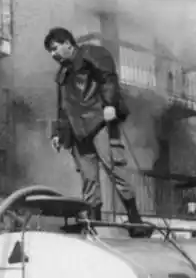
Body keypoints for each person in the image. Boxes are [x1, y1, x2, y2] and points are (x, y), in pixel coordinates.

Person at [44, 27, 152, 238]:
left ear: (68, 43)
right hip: (77, 130)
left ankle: (134, 218)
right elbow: (62, 106)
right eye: (50, 51)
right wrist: (57, 132)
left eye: (55, 48)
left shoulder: (91, 54)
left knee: (115, 169)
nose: (53, 54)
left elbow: (108, 77)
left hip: (99, 121)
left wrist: (110, 104)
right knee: (88, 177)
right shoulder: (63, 74)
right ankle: (94, 220)